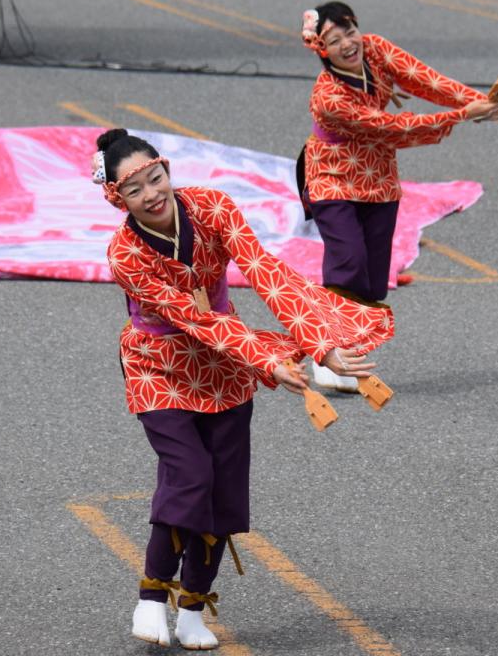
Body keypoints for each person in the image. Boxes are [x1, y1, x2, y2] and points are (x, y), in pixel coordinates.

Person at [94, 128, 394, 650]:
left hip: (227, 368)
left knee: (224, 493)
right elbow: (195, 320)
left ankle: (192, 609)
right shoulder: (125, 254)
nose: (152, 193)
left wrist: (318, 344)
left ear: (167, 171)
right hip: (160, 367)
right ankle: (150, 597)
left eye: (156, 178)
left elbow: (264, 270)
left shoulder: (212, 207)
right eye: (135, 188)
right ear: (116, 197)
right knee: (190, 476)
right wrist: (268, 358)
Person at [297, 1, 498, 389]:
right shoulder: (329, 97)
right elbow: (391, 128)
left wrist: (484, 103)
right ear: (321, 50)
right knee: (348, 260)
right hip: (332, 175)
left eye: (350, 31)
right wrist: (464, 115)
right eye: (334, 39)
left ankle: (351, 353)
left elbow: (425, 80)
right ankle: (327, 355)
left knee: (374, 278)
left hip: (378, 176)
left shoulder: (374, 48)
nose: (348, 43)